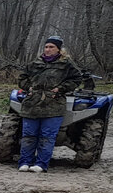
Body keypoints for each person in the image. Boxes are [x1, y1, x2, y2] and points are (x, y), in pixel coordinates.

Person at [16, 35, 83, 173]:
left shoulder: (66, 64)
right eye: (46, 46)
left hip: (53, 104)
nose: (48, 49)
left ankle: (41, 164)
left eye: (51, 47)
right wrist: (29, 88)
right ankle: (25, 162)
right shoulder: (35, 63)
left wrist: (60, 89)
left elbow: (76, 79)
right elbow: (22, 77)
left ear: (59, 49)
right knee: (28, 134)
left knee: (47, 136)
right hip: (32, 104)